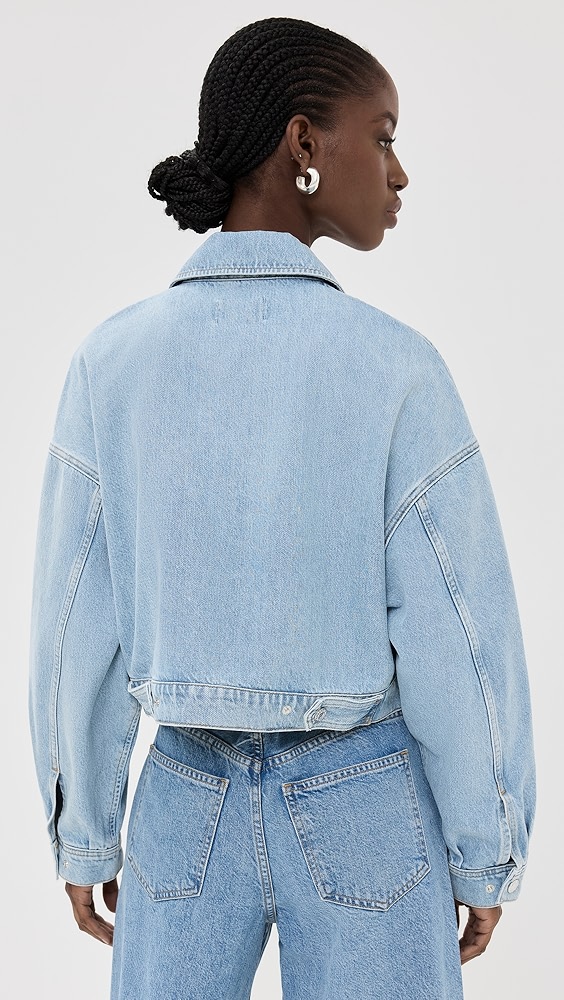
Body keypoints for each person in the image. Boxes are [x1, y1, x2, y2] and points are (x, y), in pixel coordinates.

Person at [28, 15, 535, 1000]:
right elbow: (462, 633)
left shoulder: (111, 364)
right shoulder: (397, 370)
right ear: (304, 143)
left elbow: (74, 626)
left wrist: (83, 829)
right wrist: (489, 847)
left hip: (182, 803)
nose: (399, 173)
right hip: (367, 804)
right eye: (382, 137)